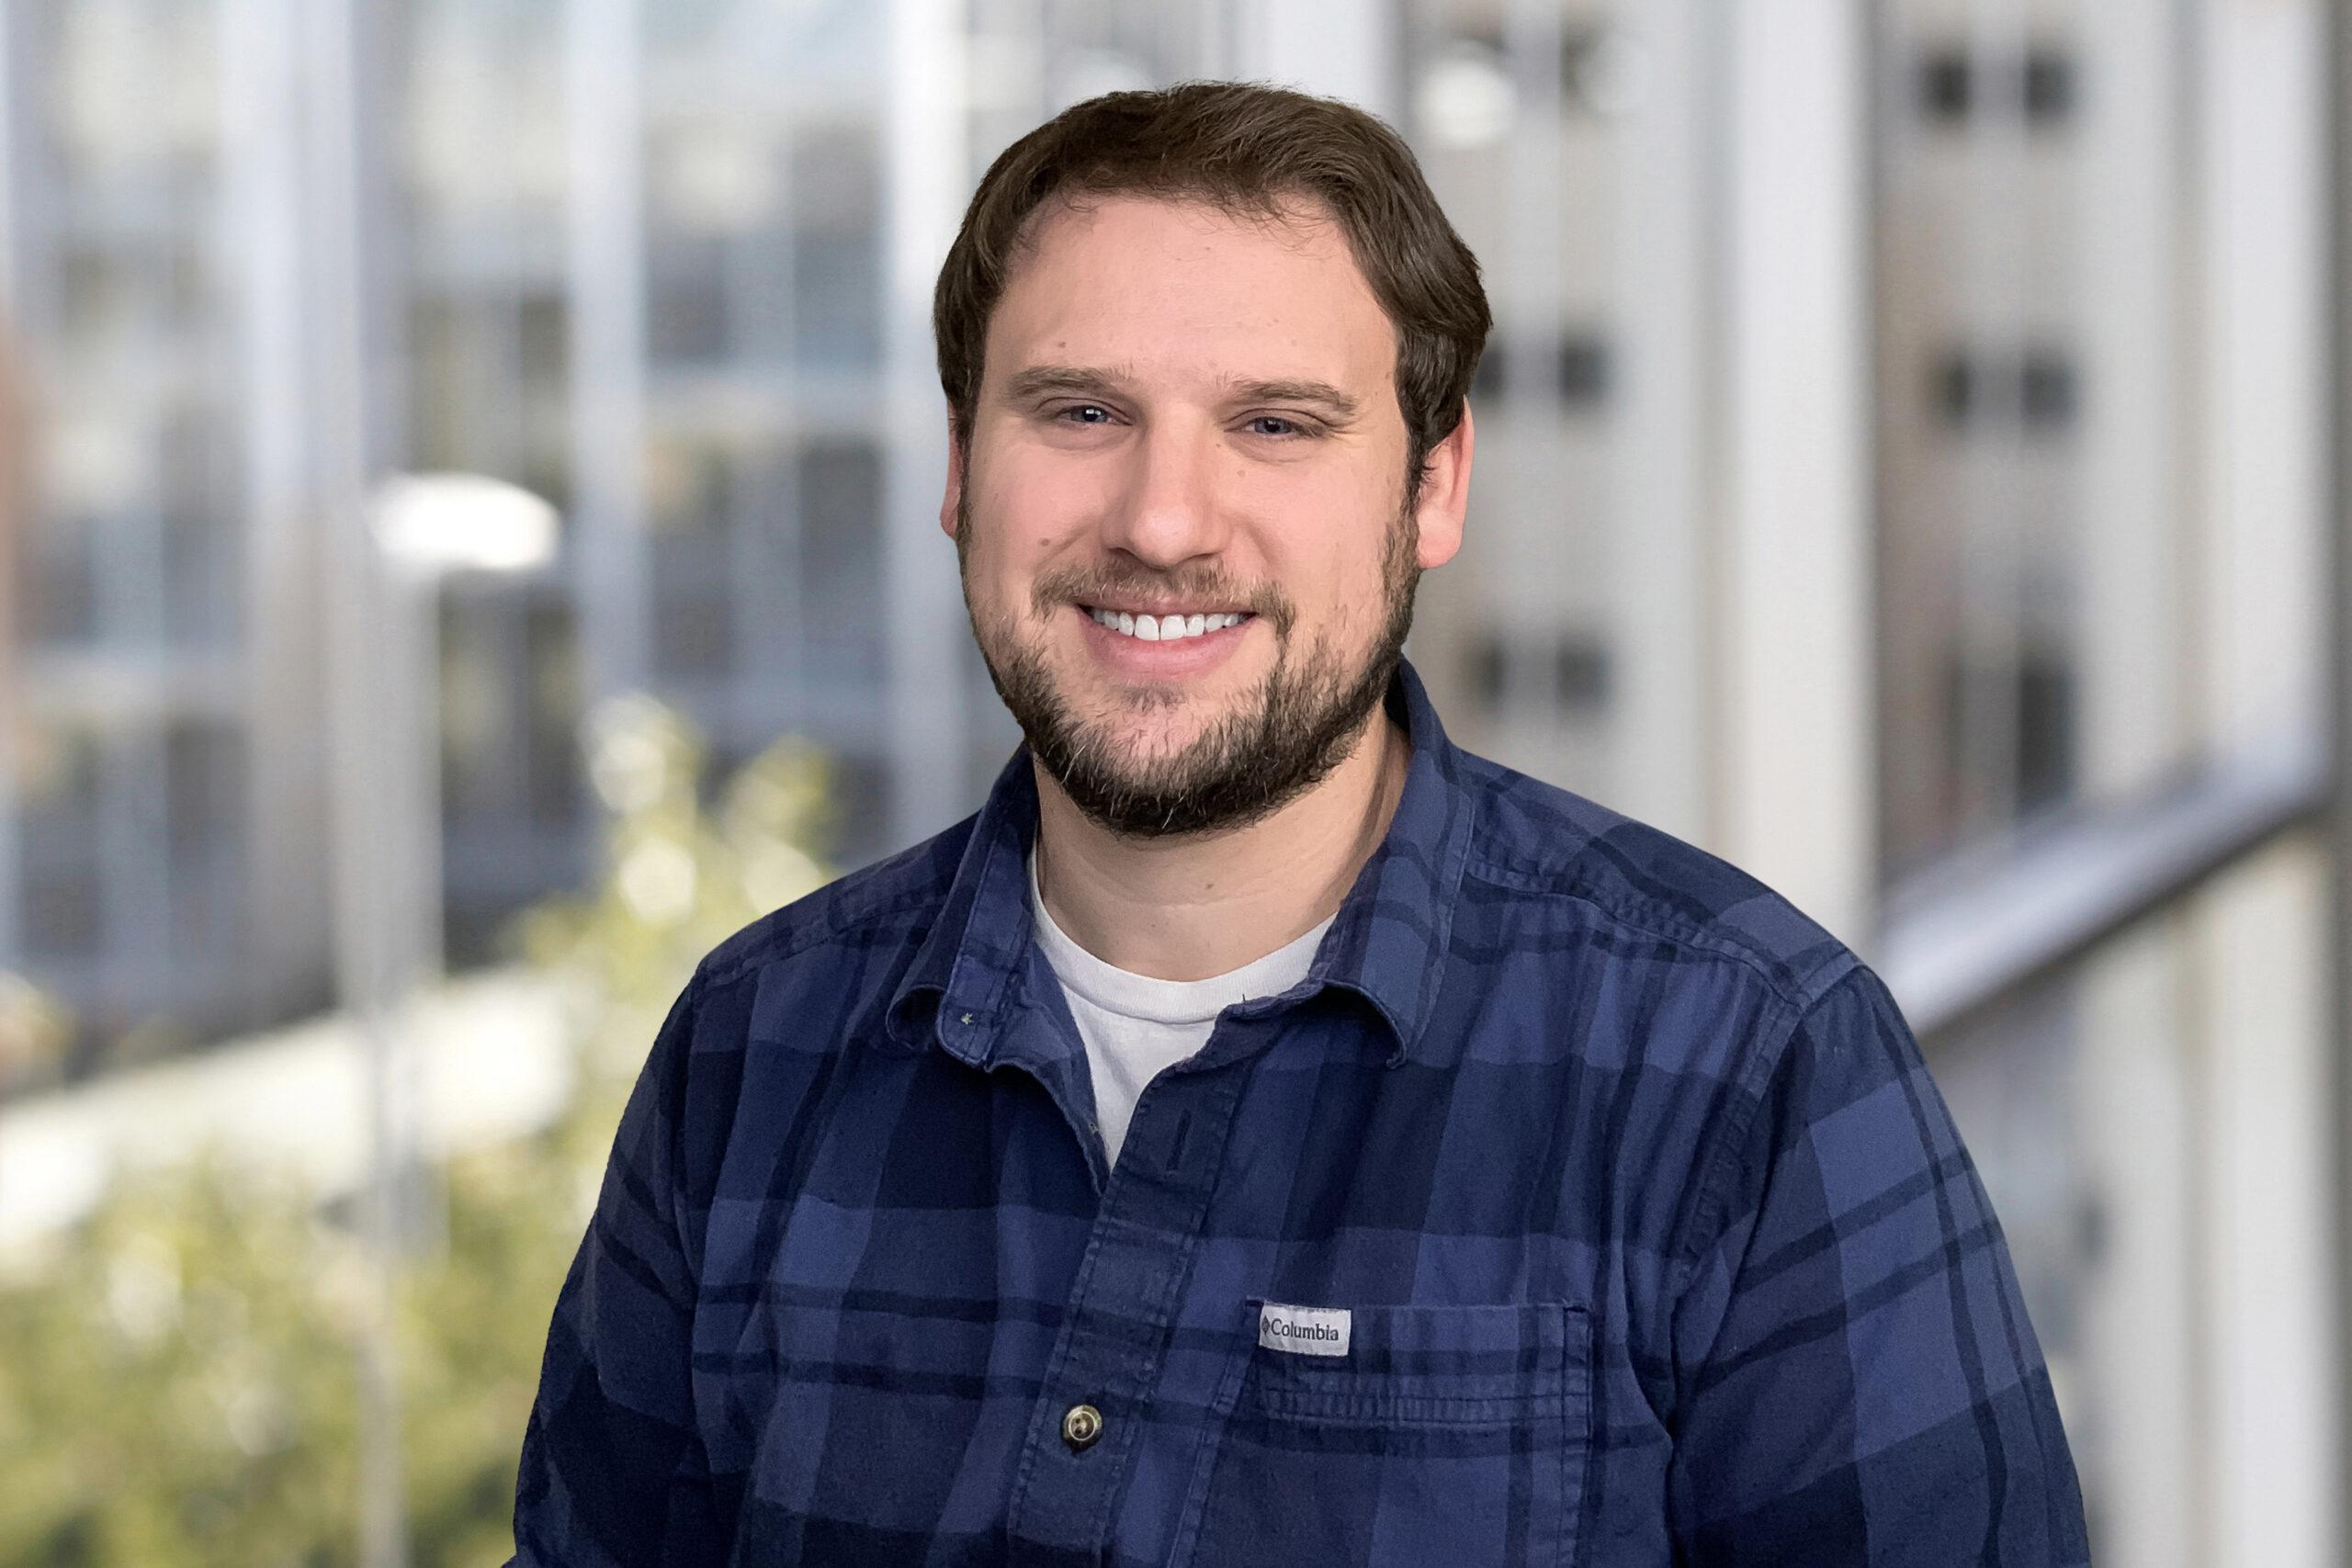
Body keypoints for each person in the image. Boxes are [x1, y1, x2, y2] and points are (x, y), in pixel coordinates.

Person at [510, 82, 2087, 1566]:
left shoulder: (1748, 1068)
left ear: (1434, 486)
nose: (1163, 521)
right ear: (958, 468)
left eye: (1274, 424)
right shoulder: (748, 1050)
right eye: (1078, 411)